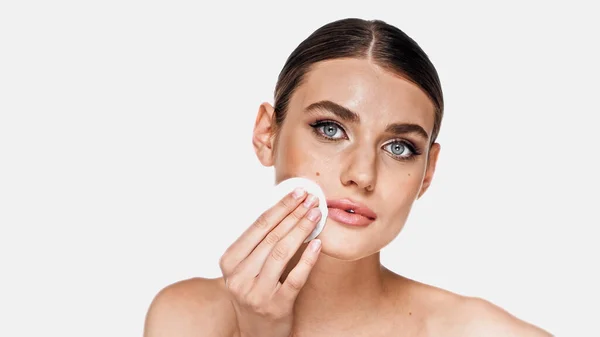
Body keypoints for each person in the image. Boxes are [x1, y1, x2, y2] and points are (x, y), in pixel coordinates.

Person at [143, 18, 552, 337]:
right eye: (330, 129)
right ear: (267, 134)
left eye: (399, 148)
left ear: (427, 172)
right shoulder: (182, 317)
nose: (362, 174)